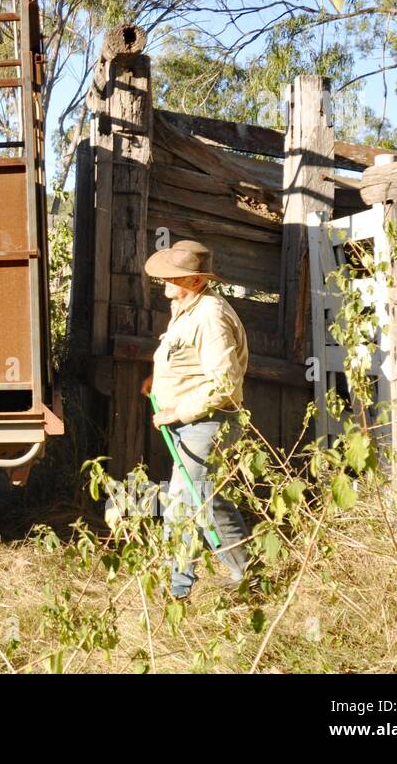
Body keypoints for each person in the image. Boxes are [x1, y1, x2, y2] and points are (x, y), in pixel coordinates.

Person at [142, 239, 252, 599]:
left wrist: (179, 410)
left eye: (172, 277)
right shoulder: (187, 309)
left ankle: (178, 591)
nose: (164, 283)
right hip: (194, 422)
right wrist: (158, 383)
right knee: (207, 498)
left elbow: (225, 383)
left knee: (182, 503)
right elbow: (189, 362)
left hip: (208, 421)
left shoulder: (210, 315)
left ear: (194, 281)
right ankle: (247, 572)